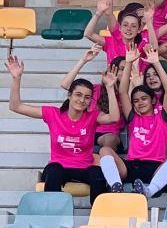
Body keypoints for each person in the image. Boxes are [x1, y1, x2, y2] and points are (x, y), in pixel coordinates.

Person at [7, 56, 122, 203]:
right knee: (54, 169)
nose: (82, 100)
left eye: (87, 97)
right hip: (59, 167)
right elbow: (15, 106)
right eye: (78, 95)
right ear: (69, 95)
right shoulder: (53, 114)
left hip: (84, 168)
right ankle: (52, 218)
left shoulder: (92, 117)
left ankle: (99, 218)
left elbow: (114, 117)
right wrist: (17, 78)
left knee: (97, 173)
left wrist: (110, 88)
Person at [99, 44, 167, 198]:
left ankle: (148, 191)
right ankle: (116, 186)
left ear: (153, 101)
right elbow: (122, 91)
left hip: (155, 166)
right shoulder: (133, 117)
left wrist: (156, 62)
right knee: (104, 151)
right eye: (136, 100)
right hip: (132, 166)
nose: (140, 102)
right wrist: (128, 62)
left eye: (144, 99)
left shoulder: (162, 115)